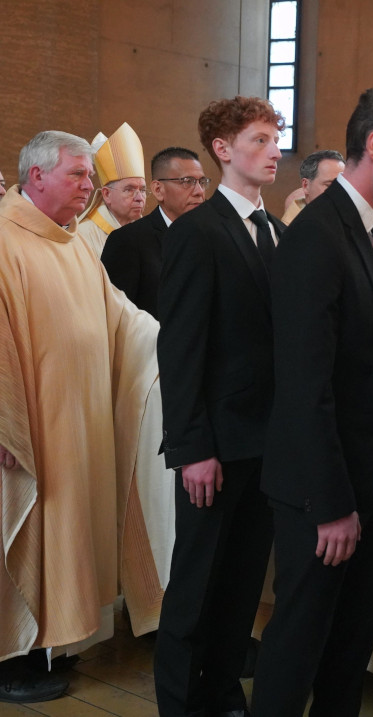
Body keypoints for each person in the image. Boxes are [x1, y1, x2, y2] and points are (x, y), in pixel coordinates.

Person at [252, 85, 373, 717]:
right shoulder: (316, 236)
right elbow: (305, 387)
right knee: (300, 642)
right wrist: (331, 504)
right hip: (325, 491)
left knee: (350, 645)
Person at [0, 131, 157, 702]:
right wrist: (4, 423)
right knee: (22, 532)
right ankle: (8, 658)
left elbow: (122, 318)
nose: (89, 186)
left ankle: (46, 646)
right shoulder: (4, 241)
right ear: (36, 176)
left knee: (61, 535)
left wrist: (180, 344)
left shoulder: (71, 245)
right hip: (26, 428)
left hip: (76, 423)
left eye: (91, 176)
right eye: (78, 175)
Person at [154, 96, 286, 717]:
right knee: (197, 585)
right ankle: (180, 703)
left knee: (242, 585)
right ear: (223, 150)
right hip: (216, 445)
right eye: (259, 140)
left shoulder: (279, 233)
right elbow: (180, 350)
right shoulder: (198, 233)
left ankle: (222, 690)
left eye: (276, 139)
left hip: (268, 443)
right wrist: (193, 448)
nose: (273, 151)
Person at [101, 147, 208, 318]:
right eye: (187, 181)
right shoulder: (129, 241)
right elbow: (116, 317)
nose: (199, 192)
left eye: (202, 182)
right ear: (158, 190)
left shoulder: (212, 236)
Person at [77, 122, 146, 257]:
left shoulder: (146, 233)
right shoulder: (82, 236)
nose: (139, 198)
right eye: (129, 189)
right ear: (107, 194)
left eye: (143, 190)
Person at [281, 149, 346, 224]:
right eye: (329, 185)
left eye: (343, 185)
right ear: (306, 185)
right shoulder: (290, 229)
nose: (339, 192)